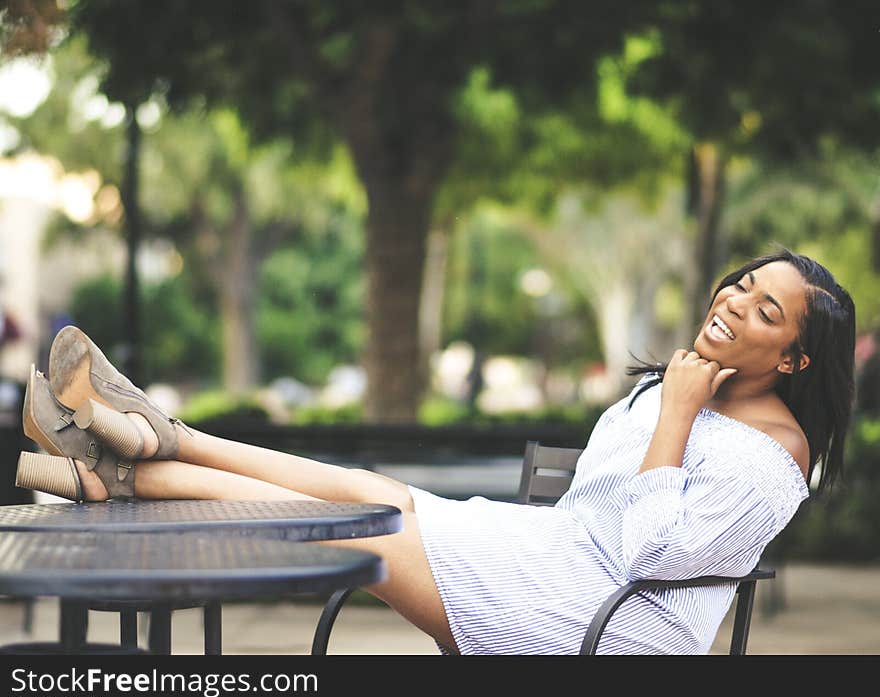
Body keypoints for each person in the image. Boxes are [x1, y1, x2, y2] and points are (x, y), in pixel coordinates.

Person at [14, 248, 856, 655]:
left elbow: (644, 551)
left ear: (794, 360)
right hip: (550, 560)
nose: (738, 302)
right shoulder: (690, 383)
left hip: (606, 623)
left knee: (350, 520)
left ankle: (117, 463)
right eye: (744, 283)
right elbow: (595, 506)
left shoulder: (768, 457)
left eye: (769, 312)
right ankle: (143, 446)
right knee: (370, 488)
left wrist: (673, 415)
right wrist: (673, 404)